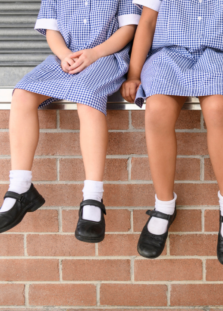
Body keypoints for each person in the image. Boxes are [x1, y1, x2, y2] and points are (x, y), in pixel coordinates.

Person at [121, 0, 223, 265]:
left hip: (220, 57)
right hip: (168, 56)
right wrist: (133, 75)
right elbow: (148, 22)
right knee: (157, 110)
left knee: (218, 109)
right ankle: (164, 206)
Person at [0, 0, 140, 243]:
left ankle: (93, 197)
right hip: (65, 57)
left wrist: (94, 53)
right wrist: (64, 54)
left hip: (105, 57)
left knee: (87, 98)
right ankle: (20, 187)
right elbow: (52, 29)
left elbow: (128, 29)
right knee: (22, 94)